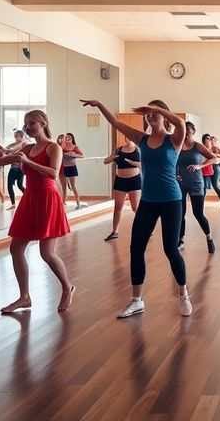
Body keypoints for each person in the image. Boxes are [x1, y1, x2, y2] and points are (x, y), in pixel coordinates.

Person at [82, 98, 193, 318]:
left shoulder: (175, 138)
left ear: (163, 114)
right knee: (136, 248)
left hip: (171, 200)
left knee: (171, 250)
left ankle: (183, 294)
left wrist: (156, 108)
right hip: (148, 201)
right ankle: (137, 300)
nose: (151, 116)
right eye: (148, 114)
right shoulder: (141, 139)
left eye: (155, 113)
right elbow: (115, 122)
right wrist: (100, 104)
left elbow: (180, 123)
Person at [0, 110, 75, 314]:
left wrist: (28, 161)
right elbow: (2, 162)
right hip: (30, 198)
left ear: (43, 123)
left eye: (32, 123)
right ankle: (24, 297)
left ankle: (67, 287)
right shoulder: (28, 147)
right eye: (26, 124)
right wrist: (0, 154)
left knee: (47, 253)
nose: (28, 127)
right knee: (15, 249)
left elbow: (53, 173)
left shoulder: (54, 147)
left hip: (47, 199)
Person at [177, 121, 217, 253]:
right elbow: (170, 161)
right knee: (180, 213)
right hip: (180, 184)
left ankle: (209, 238)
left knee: (198, 213)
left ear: (193, 131)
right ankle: (181, 240)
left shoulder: (197, 146)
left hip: (196, 183)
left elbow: (213, 158)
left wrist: (200, 166)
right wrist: (174, 174)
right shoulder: (177, 145)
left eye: (189, 129)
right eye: (184, 129)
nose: (187, 131)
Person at [103, 136, 141, 242]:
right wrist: (111, 158)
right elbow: (105, 161)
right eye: (126, 136)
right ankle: (115, 231)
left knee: (135, 207)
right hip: (120, 181)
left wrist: (134, 164)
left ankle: (145, 228)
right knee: (118, 207)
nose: (128, 138)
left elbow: (146, 165)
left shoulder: (138, 150)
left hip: (134, 181)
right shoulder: (118, 149)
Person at [60, 133, 84, 209]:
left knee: (73, 186)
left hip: (71, 167)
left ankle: (78, 202)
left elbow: (82, 155)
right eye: (66, 137)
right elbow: (58, 153)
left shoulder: (74, 147)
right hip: (62, 168)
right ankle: (63, 202)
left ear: (72, 138)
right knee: (63, 186)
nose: (67, 138)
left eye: (69, 136)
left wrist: (73, 154)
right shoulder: (62, 146)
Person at [201, 134, 220, 208]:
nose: (209, 140)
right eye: (207, 138)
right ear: (204, 140)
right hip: (205, 167)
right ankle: (201, 204)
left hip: (215, 167)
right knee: (203, 187)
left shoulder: (214, 148)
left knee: (215, 185)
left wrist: (216, 155)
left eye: (210, 138)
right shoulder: (201, 148)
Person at [4, 130, 27, 208]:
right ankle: (13, 204)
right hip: (13, 168)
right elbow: (6, 151)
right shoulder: (12, 145)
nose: (15, 137)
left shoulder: (24, 144)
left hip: (21, 169)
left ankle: (29, 197)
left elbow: (12, 152)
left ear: (21, 136)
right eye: (15, 136)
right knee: (9, 185)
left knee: (20, 185)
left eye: (16, 136)